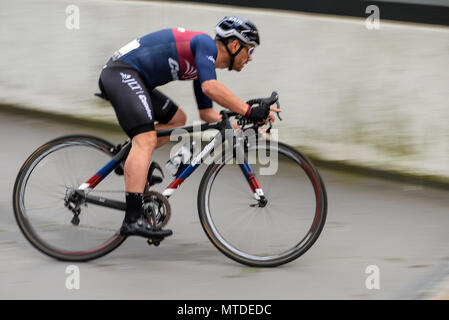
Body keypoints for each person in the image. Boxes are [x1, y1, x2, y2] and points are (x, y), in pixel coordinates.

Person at [97, 16, 280, 239]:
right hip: (121, 73)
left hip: (134, 78)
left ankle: (130, 159)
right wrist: (249, 110)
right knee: (144, 139)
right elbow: (211, 87)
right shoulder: (204, 44)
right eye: (249, 51)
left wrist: (246, 127)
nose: (250, 59)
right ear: (234, 45)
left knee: (178, 119)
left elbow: (207, 114)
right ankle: (132, 220)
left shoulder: (203, 61)